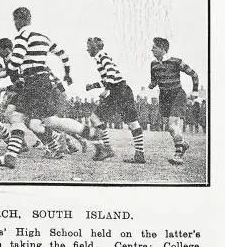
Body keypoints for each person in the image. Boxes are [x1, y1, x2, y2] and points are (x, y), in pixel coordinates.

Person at [0, 8, 94, 169]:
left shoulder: (23, 35)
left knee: (20, 117)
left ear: (17, 20)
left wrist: (4, 71)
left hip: (33, 81)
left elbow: (15, 61)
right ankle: (11, 156)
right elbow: (63, 55)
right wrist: (68, 74)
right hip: (41, 81)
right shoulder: (43, 37)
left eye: (15, 21)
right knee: (42, 121)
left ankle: (11, 156)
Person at [85, 37, 145, 164]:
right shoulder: (101, 58)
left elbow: (111, 73)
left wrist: (107, 89)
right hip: (124, 90)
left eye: (88, 47)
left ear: (95, 47)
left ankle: (107, 149)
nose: (87, 49)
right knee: (133, 123)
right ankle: (140, 154)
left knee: (95, 118)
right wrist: (93, 86)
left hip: (118, 91)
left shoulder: (102, 57)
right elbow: (110, 77)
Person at [149, 37, 199, 165]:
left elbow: (194, 74)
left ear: (163, 49)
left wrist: (195, 92)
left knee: (173, 125)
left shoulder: (176, 62)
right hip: (164, 97)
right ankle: (183, 144)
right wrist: (152, 84)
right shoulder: (153, 65)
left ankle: (178, 155)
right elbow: (154, 80)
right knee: (170, 128)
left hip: (177, 95)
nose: (152, 49)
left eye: (154, 47)